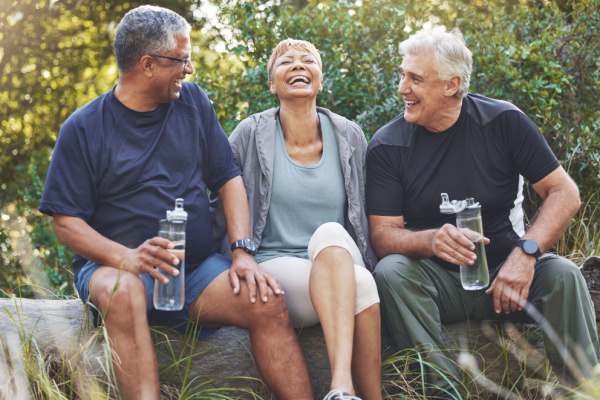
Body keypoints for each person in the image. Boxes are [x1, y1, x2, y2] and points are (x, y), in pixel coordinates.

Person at [39, 6, 313, 400]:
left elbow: (228, 179)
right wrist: (127, 258)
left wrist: (241, 252)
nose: (189, 69)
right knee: (123, 293)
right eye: (181, 60)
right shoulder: (83, 128)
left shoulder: (192, 102)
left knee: (265, 300)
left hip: (196, 270)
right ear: (147, 65)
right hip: (117, 268)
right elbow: (66, 223)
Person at [365, 26, 599, 399]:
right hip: (436, 284)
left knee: (565, 275)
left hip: (505, 277)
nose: (402, 88)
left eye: (415, 78)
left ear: (451, 84)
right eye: (402, 75)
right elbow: (382, 235)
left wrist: (526, 254)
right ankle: (444, 390)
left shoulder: (503, 122)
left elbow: (565, 193)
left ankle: (586, 389)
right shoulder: (387, 145)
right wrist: (430, 240)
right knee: (391, 272)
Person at [211, 38, 382, 400]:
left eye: (309, 61)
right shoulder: (249, 134)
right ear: (272, 83)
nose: (299, 66)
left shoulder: (350, 136)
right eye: (286, 62)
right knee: (363, 287)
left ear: (321, 80)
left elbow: (365, 210)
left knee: (332, 234)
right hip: (277, 267)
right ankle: (346, 389)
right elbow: (220, 197)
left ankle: (341, 389)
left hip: (339, 256)